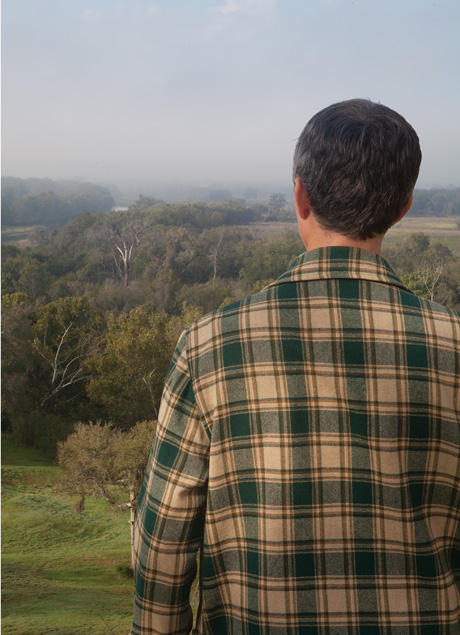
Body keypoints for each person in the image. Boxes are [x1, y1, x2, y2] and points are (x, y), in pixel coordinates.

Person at [131, 99, 460, 634]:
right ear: (403, 207)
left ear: (300, 196)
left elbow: (164, 539)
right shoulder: (454, 343)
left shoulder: (209, 344)